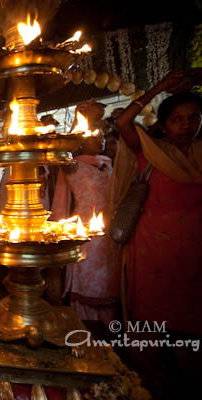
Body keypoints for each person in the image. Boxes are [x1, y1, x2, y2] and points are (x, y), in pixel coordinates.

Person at [111, 68, 202, 399]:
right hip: (154, 259)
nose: (185, 126)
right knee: (151, 341)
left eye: (192, 118)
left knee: (196, 346)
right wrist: (160, 86)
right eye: (176, 120)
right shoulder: (151, 152)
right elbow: (124, 123)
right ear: (163, 124)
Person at [51, 134, 114, 323]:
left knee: (108, 281)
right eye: (94, 137)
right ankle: (84, 326)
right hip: (85, 228)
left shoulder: (109, 163)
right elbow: (60, 153)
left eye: (103, 136)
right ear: (81, 141)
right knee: (87, 277)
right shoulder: (72, 164)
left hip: (110, 230)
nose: (100, 141)